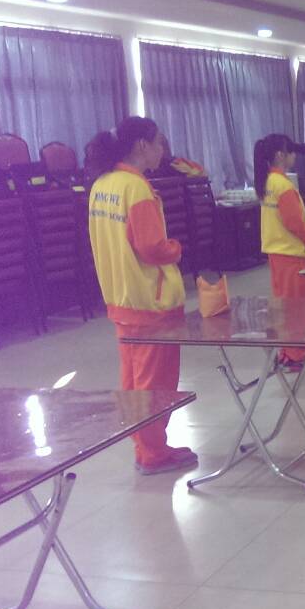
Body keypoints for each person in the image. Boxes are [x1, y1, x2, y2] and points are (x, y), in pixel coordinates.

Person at [86, 117, 196, 475]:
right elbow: (151, 247)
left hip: (121, 298)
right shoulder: (136, 188)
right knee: (155, 384)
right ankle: (154, 454)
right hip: (149, 301)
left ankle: (144, 446)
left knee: (134, 382)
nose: (163, 150)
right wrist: (175, 248)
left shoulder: (102, 184)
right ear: (141, 146)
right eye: (159, 143)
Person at [255, 133, 305, 372]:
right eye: (291, 151)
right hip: (291, 255)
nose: (294, 155)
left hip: (276, 254)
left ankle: (286, 352)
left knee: (283, 305)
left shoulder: (268, 182)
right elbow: (294, 222)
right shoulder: (283, 186)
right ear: (280, 155)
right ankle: (297, 356)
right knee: (296, 307)